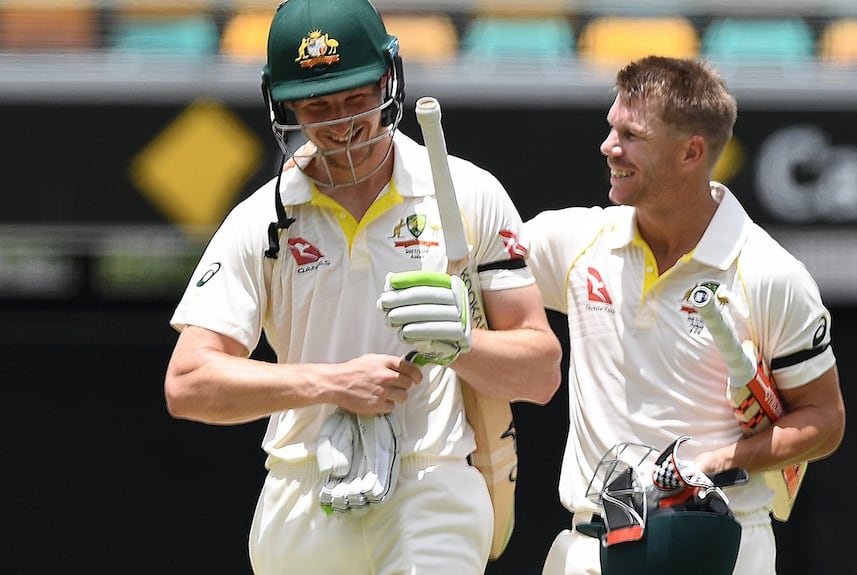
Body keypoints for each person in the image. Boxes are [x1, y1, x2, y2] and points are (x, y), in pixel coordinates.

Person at [163, 0, 562, 573]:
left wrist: (462, 344)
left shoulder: (466, 193)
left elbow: (542, 374)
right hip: (301, 488)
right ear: (284, 104)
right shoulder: (264, 219)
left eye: (356, 98)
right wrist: (332, 382)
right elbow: (187, 383)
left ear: (387, 81)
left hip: (430, 482)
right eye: (318, 106)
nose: (342, 124)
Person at [524, 56, 846, 575]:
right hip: (591, 545)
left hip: (721, 546)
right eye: (611, 128)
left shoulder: (771, 275)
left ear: (691, 152)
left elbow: (824, 421)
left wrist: (721, 462)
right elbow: (483, 267)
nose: (609, 146)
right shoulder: (577, 240)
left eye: (631, 135)